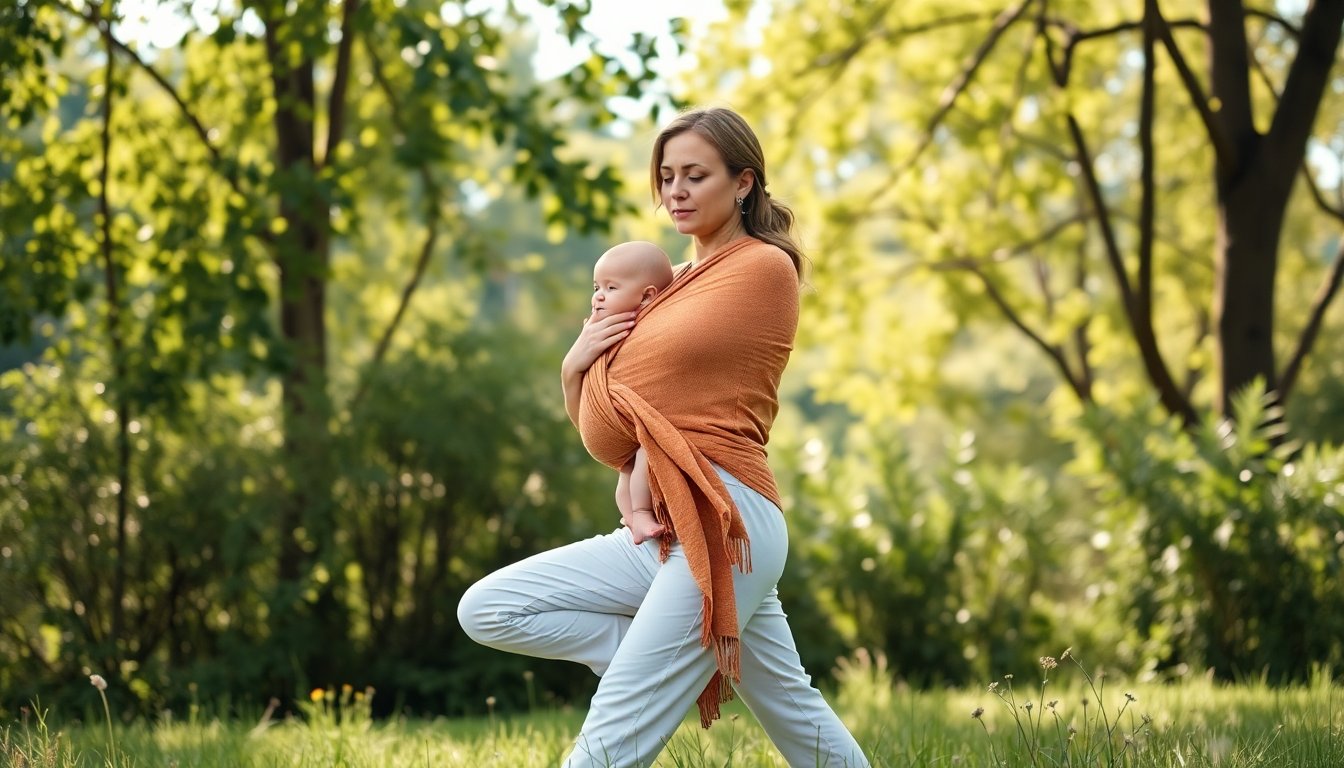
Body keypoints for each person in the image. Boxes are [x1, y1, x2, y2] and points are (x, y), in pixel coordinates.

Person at [458, 106, 870, 768]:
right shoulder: (667, 286)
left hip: (725, 517)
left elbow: (636, 390)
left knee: (613, 731)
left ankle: (657, 670)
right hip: (670, 525)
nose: (675, 191)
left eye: (695, 175)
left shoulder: (761, 268)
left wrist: (607, 383)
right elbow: (608, 429)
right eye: (667, 175)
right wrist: (573, 368)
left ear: (743, 183)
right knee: (492, 608)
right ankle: (666, 662)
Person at [590, 240, 674, 544]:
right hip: (617, 416)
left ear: (647, 296)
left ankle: (640, 512)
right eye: (596, 287)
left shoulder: (646, 323)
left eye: (611, 288)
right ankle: (632, 515)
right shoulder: (601, 324)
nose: (598, 296)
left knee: (643, 459)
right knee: (628, 471)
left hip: (642, 419)